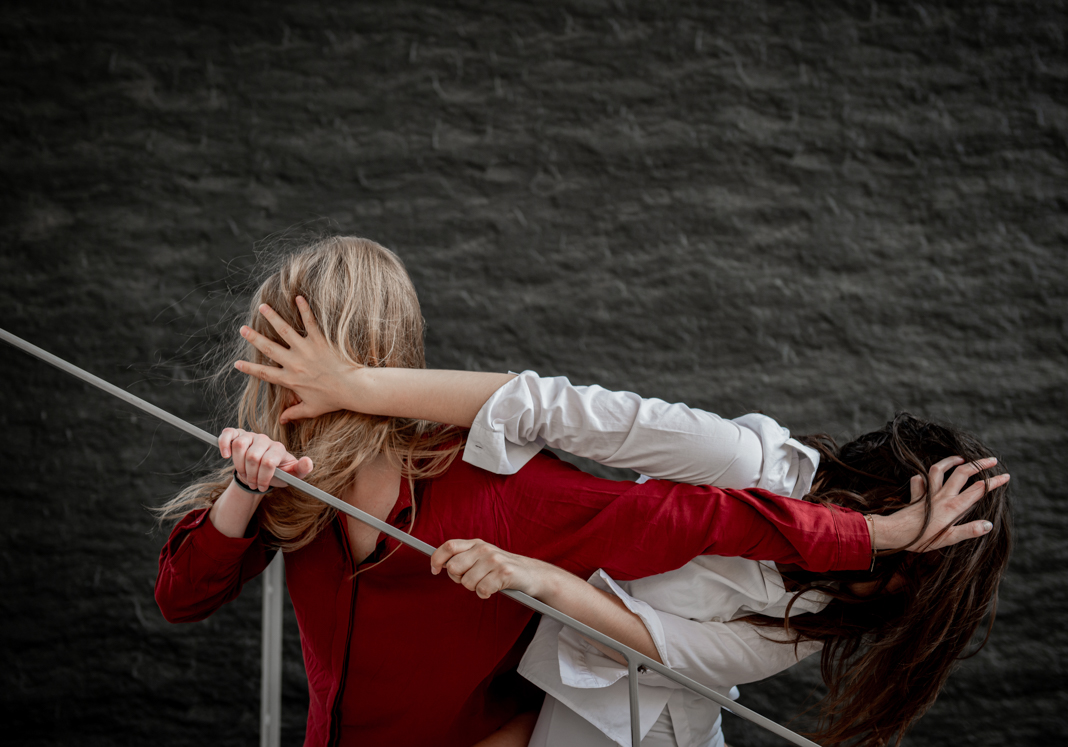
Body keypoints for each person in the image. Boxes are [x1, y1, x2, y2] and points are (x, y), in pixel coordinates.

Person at [156, 236, 998, 747]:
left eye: (302, 358)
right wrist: (257, 474)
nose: (279, 384)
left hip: (609, 720)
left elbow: (664, 566)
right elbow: (548, 405)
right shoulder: (293, 491)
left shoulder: (509, 497)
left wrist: (533, 575)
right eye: (268, 358)